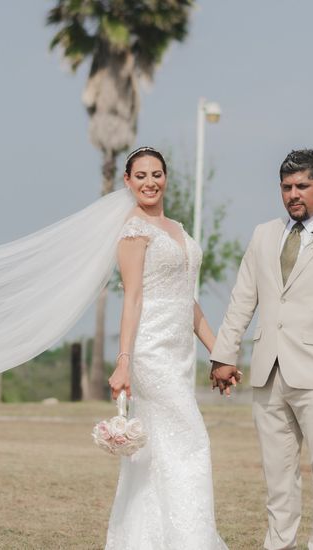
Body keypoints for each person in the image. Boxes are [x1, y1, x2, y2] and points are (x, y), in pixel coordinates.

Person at [209, 149, 313, 550]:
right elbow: (242, 299)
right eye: (287, 187)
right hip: (268, 373)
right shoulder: (264, 235)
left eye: (302, 186)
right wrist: (223, 355)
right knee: (277, 476)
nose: (294, 194)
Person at [104, 146, 229, 549]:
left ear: (166, 177)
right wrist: (123, 362)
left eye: (156, 174)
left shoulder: (176, 227)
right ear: (127, 181)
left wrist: (219, 351)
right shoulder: (133, 230)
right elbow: (133, 297)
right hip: (151, 352)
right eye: (140, 176)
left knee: (162, 453)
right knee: (191, 440)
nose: (149, 182)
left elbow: (187, 301)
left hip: (180, 354)